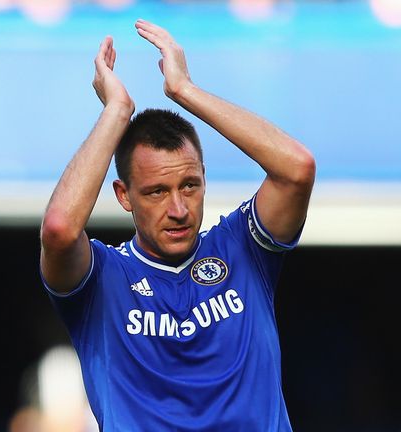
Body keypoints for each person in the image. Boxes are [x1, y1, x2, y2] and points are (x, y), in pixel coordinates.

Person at [39, 19, 315, 430]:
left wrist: (185, 91)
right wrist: (117, 112)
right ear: (123, 195)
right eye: (155, 192)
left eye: (189, 186)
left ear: (204, 177)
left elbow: (297, 169)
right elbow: (59, 230)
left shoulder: (242, 248)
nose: (179, 208)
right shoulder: (103, 279)